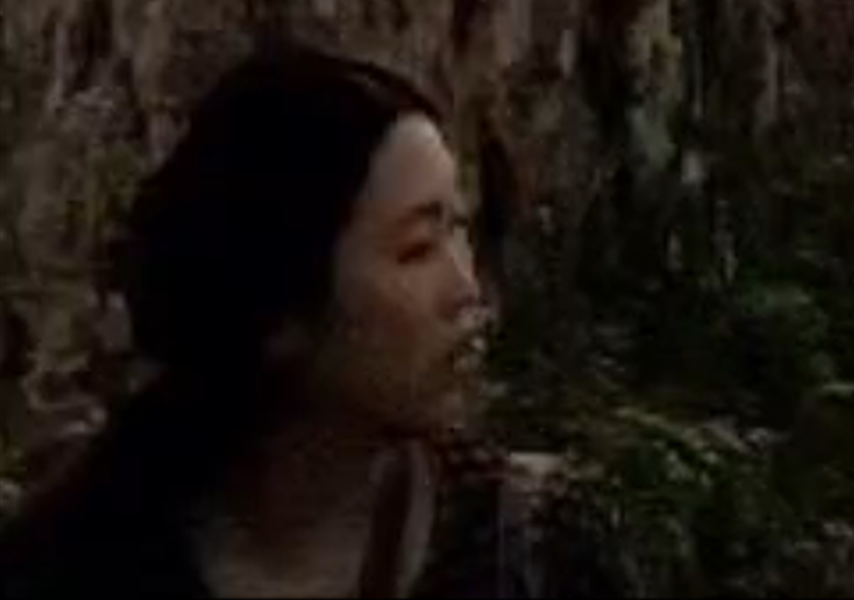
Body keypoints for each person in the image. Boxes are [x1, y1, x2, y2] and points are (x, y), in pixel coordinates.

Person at [0, 43, 636, 594]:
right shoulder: (79, 565)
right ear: (281, 313)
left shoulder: (529, 555)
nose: (466, 289)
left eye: (459, 232)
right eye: (416, 250)